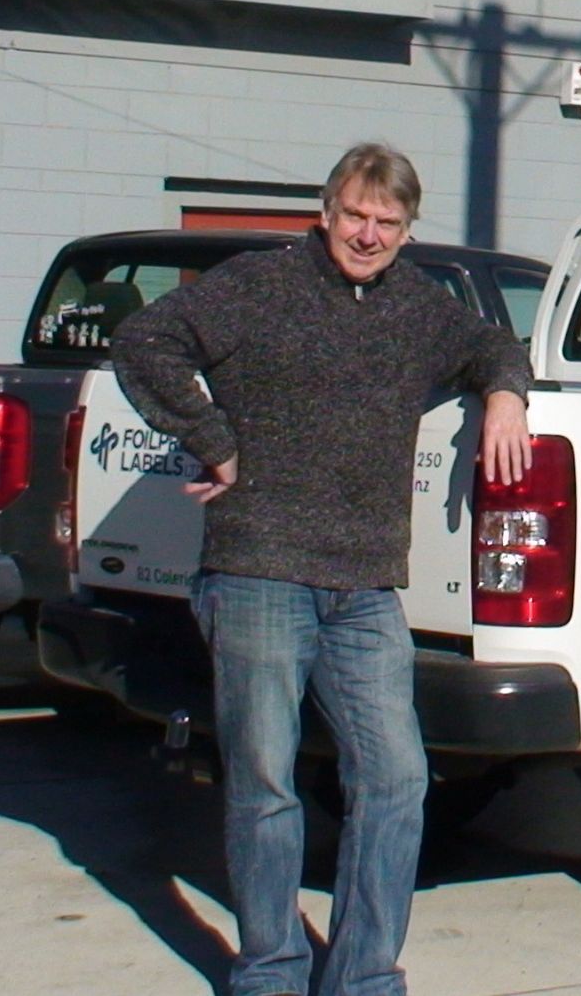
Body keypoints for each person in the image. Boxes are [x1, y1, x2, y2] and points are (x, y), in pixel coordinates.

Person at [112, 143, 532, 996]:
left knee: (397, 781)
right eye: (355, 215)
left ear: (408, 231)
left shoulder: (419, 309)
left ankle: (365, 976)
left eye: (388, 222)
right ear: (325, 210)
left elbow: (494, 344)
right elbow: (144, 339)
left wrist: (506, 393)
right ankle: (269, 970)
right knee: (265, 783)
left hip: (366, 589)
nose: (368, 234)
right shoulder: (258, 287)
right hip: (259, 570)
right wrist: (214, 440)